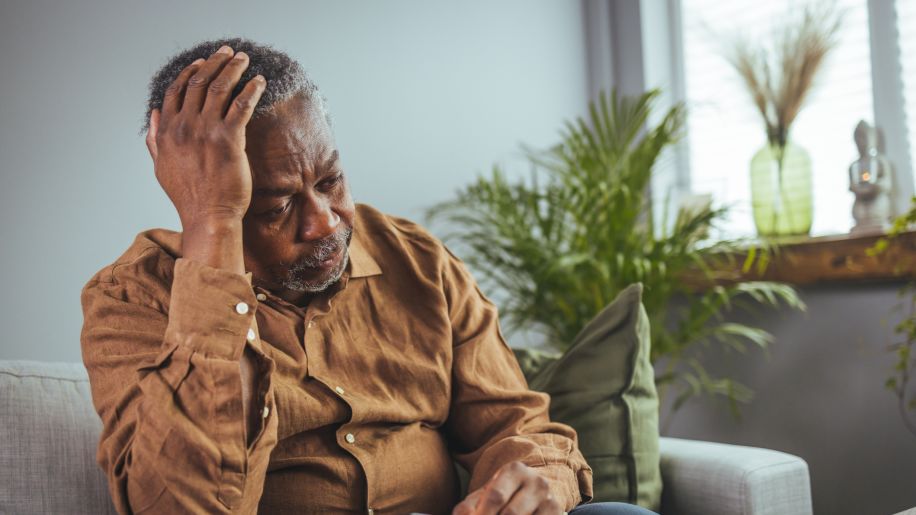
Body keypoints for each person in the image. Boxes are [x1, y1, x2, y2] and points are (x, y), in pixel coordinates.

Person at [80, 37, 657, 515]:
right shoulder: (134, 300)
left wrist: (534, 484)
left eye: (330, 181)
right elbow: (182, 506)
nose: (324, 222)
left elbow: (517, 425)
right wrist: (212, 224)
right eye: (277, 207)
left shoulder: (417, 260)